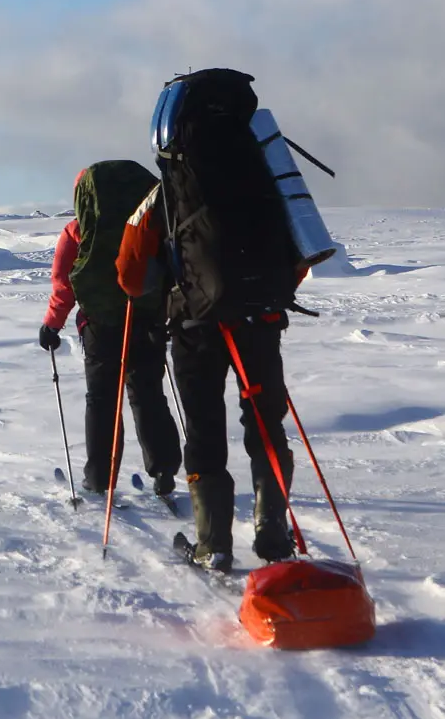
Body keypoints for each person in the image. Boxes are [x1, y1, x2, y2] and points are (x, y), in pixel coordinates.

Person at [115, 70, 308, 572]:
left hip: (196, 326)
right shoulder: (269, 179)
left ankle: (213, 544)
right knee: (267, 424)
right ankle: (273, 531)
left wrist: (185, 287)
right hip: (261, 318)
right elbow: (301, 253)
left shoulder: (167, 194)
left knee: (204, 432)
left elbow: (130, 275)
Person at [39, 160, 182, 498]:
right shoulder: (152, 226)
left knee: (102, 399)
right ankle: (164, 471)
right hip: (147, 318)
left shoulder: (77, 232)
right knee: (147, 394)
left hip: (100, 325)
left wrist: (52, 325)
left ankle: (100, 477)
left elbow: (64, 285)